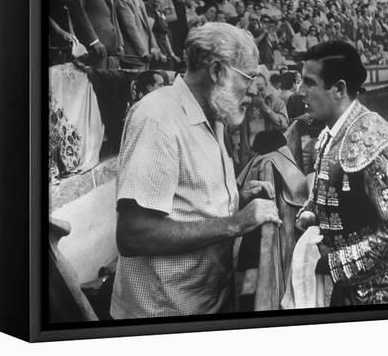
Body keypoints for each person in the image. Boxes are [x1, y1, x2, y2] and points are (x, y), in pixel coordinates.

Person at [110, 23, 281, 318]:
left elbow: (189, 202)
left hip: (207, 302)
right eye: (248, 77)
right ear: (216, 71)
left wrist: (237, 197)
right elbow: (134, 235)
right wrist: (236, 223)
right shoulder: (158, 119)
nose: (253, 89)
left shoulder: (213, 113)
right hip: (163, 316)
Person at [296, 40, 388, 306]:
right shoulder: (333, 133)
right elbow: (336, 195)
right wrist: (311, 213)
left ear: (339, 89)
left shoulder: (372, 141)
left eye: (309, 83)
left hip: (374, 296)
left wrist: (334, 263)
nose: (300, 91)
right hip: (347, 291)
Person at [65, 0, 124, 69]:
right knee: (95, 84)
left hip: (112, 51)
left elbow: (112, 15)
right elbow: (78, 10)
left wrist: (120, 43)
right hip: (95, 49)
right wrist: (93, 41)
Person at [115, 0, 162, 70]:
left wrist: (154, 48)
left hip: (143, 57)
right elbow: (131, 28)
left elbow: (148, 29)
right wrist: (143, 52)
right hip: (134, 56)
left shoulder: (140, 1)